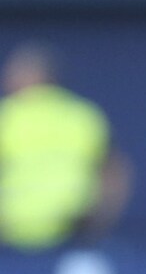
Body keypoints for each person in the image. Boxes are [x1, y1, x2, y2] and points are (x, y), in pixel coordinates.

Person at [0, 44, 129, 251]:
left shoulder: (7, 116)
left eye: (15, 72)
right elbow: (116, 175)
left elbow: (113, 172)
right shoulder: (83, 114)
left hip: (25, 233)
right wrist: (99, 224)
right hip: (70, 232)